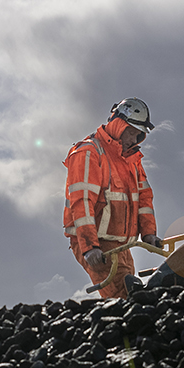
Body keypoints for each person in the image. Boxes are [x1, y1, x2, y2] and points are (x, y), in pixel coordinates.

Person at [63, 98, 161, 299]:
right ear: (119, 124)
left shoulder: (131, 160)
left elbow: (144, 199)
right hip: (98, 244)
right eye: (132, 133)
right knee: (123, 297)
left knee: (133, 297)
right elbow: (81, 202)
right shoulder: (89, 152)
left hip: (122, 245)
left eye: (138, 135)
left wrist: (149, 233)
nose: (134, 140)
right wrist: (90, 247)